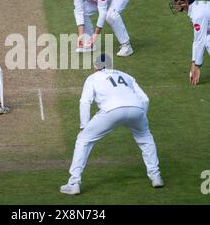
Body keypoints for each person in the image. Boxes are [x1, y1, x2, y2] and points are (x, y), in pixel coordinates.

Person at [60, 54, 163, 195]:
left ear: (96, 66)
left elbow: (85, 102)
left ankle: (74, 183)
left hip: (111, 111)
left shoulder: (93, 78)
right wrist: (141, 116)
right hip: (137, 109)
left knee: (83, 139)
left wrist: (83, 126)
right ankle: (156, 176)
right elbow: (144, 99)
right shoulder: (126, 76)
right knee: (146, 138)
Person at [67, 0, 134, 57]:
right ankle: (89, 44)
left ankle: (127, 46)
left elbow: (102, 13)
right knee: (83, 11)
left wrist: (95, 36)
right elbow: (78, 11)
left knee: (110, 16)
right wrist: (81, 35)